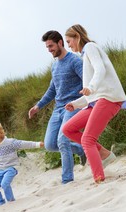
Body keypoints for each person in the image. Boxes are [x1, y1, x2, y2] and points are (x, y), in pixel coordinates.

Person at [62, 24, 126, 184]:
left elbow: (100, 70)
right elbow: (91, 93)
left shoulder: (90, 47)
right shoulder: (85, 55)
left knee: (87, 140)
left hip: (108, 99)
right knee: (68, 129)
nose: (69, 45)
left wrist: (91, 87)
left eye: (69, 41)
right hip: (96, 101)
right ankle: (104, 154)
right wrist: (76, 103)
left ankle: (98, 178)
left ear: (77, 37)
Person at [28, 30, 86, 185]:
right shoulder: (54, 66)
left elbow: (87, 82)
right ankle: (80, 150)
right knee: (50, 145)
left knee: (62, 140)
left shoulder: (75, 61)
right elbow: (52, 90)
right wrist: (38, 106)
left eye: (51, 46)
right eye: (47, 47)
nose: (49, 50)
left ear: (60, 42)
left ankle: (67, 180)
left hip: (73, 107)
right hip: (58, 108)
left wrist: (82, 100)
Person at [0, 120, 44, 205]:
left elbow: (24, 144)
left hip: (12, 168)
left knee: (4, 184)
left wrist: (37, 144)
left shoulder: (10, 143)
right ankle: (1, 203)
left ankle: (11, 202)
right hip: (1, 169)